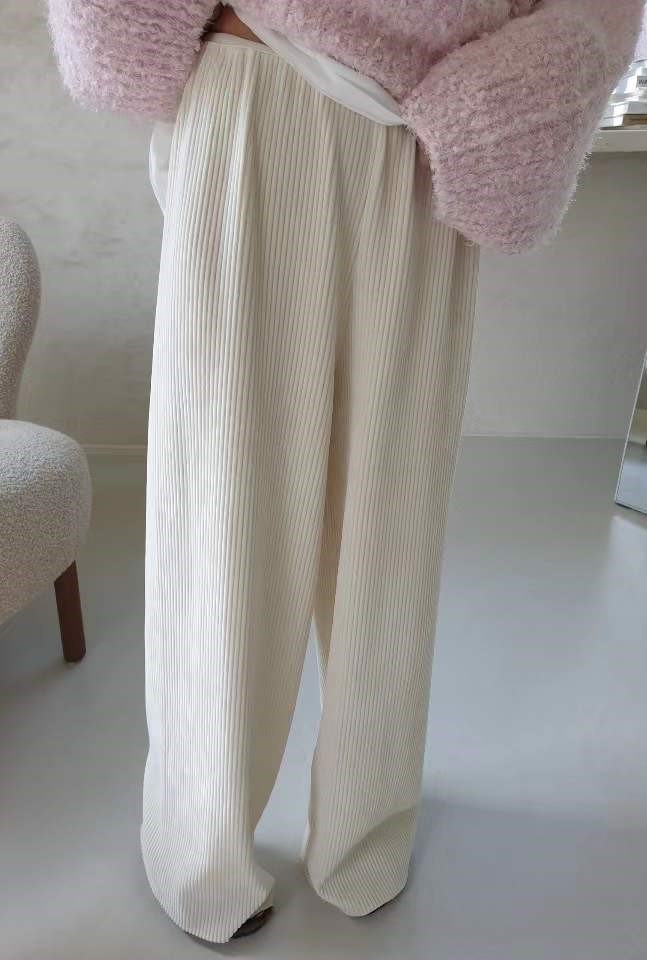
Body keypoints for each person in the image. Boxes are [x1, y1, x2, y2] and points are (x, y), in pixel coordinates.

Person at [47, 0, 642, 944]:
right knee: (226, 505)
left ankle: (365, 831)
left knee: (389, 513)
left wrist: (501, 99)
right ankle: (202, 847)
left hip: (422, 124)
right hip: (257, 81)